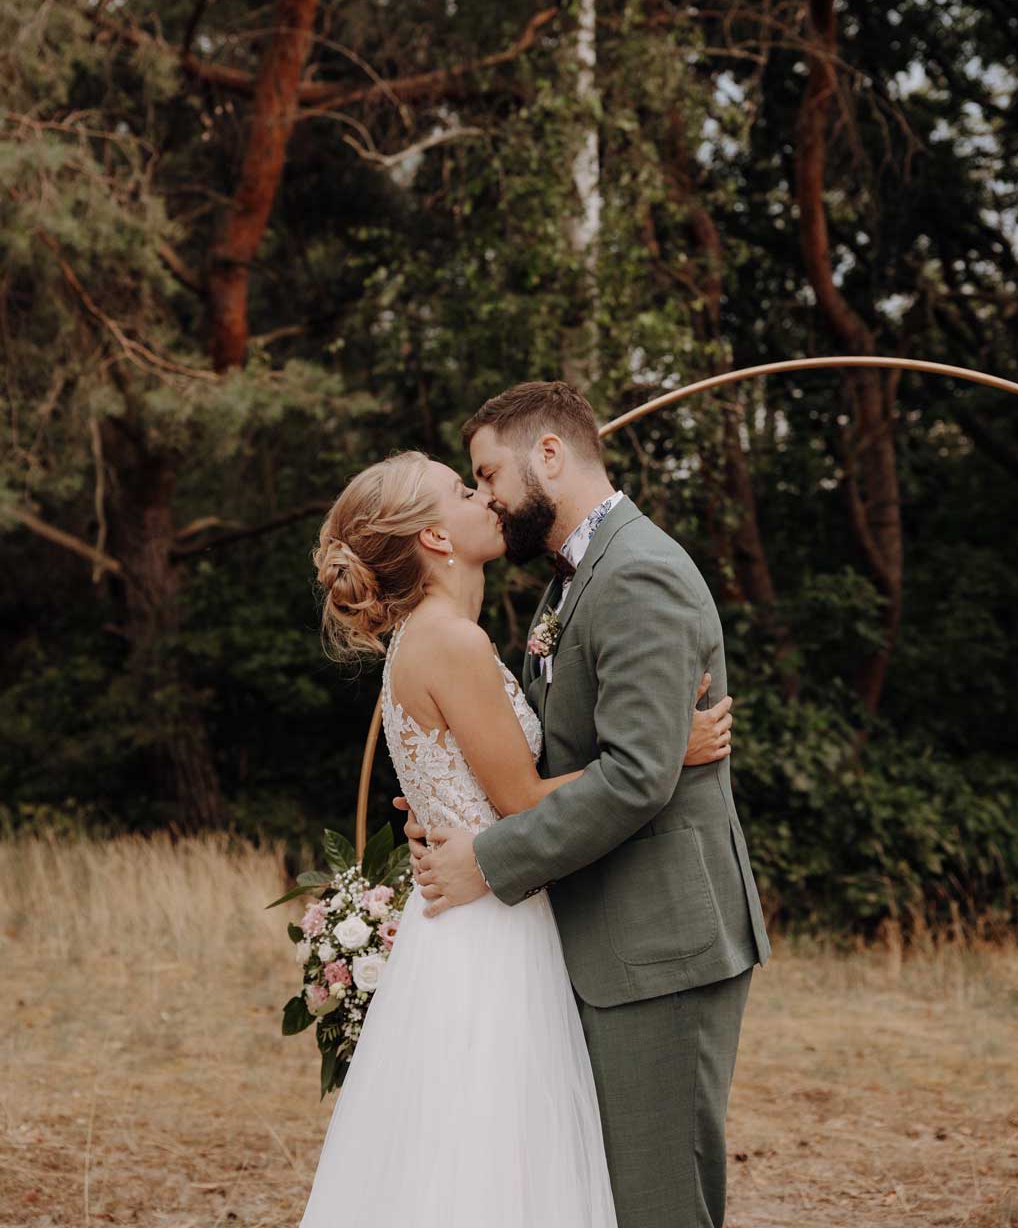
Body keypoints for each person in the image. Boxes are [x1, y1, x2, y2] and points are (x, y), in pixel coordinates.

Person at [297, 445, 733, 1228]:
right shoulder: (453, 642)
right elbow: (525, 799)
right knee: (498, 1158)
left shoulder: (433, 637)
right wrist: (669, 748)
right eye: (465, 490)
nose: (485, 500)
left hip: (471, 916)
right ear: (435, 537)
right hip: (491, 934)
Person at [404, 381, 772, 1228]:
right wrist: (450, 799)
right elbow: (558, 755)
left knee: (659, 1204)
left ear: (548, 454)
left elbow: (639, 777)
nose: (488, 496)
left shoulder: (639, 574)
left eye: (489, 473)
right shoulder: (569, 580)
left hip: (660, 946)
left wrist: (486, 864)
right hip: (606, 938)